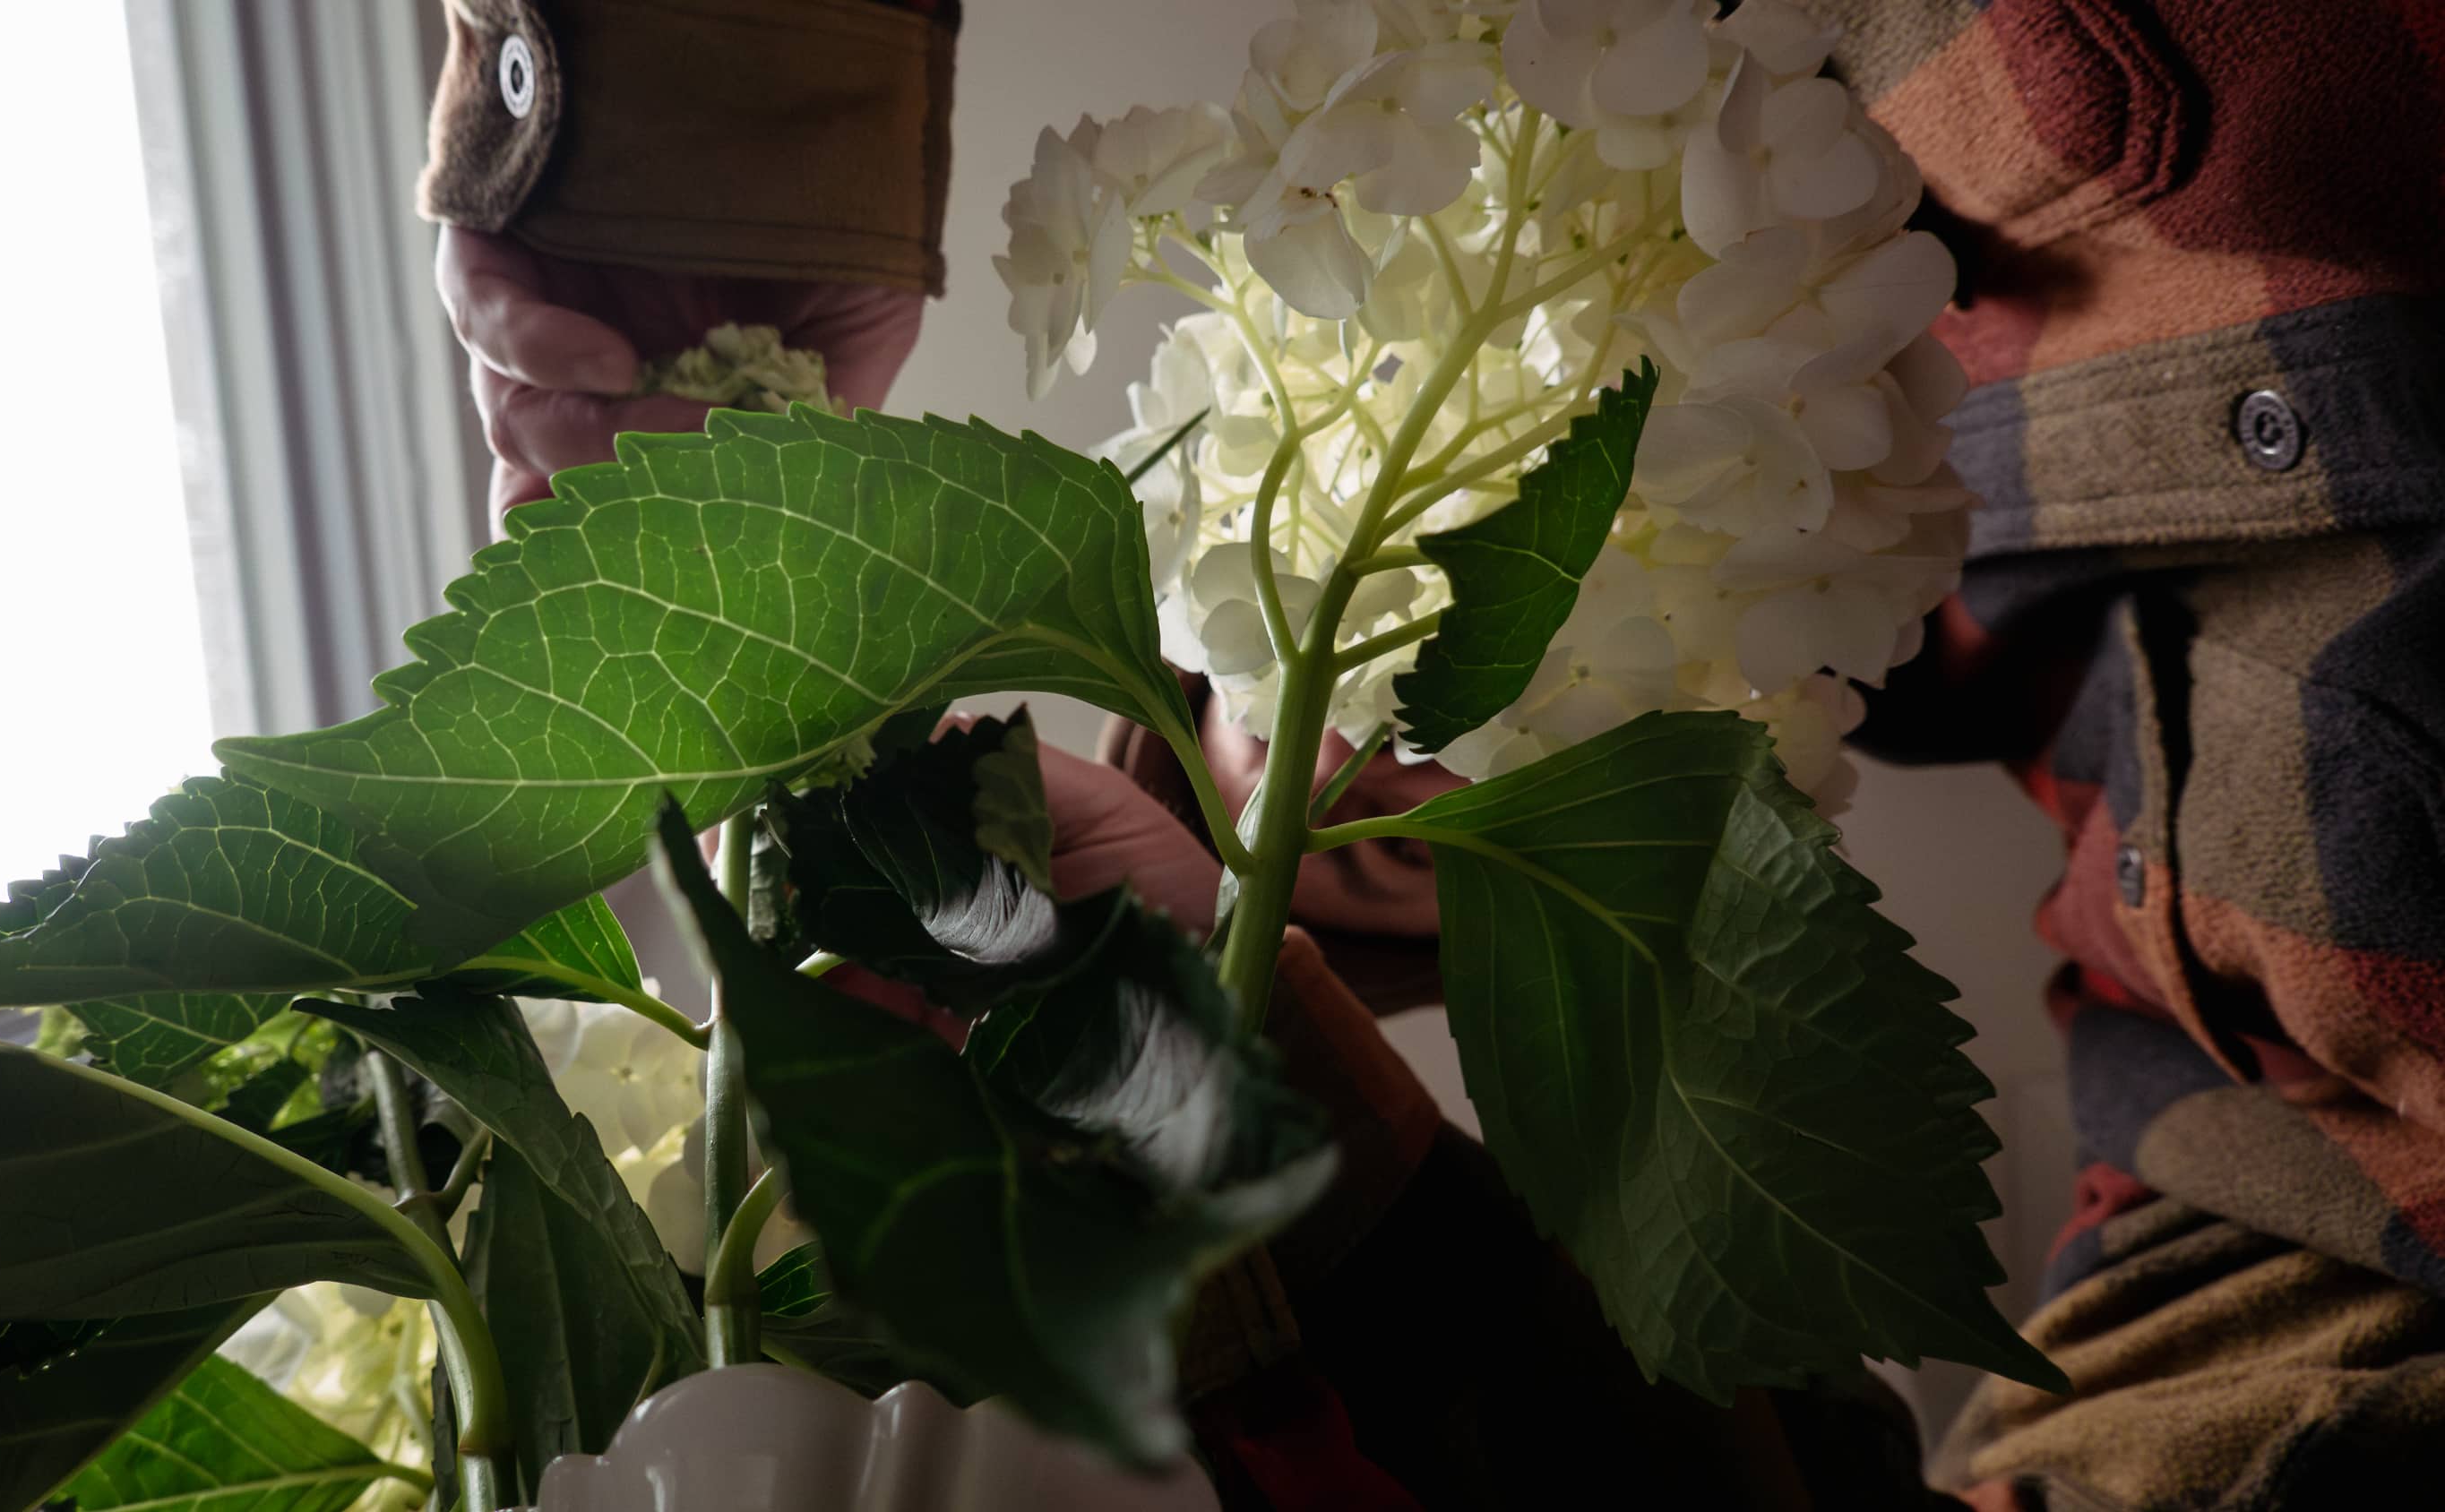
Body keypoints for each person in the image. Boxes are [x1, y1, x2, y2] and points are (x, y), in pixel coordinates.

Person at [418, 2, 2445, 1507]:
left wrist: (691, 172)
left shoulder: (1801, 259)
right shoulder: (1944, 591)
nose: (1336, 743)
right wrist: (1261, 1056)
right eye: (1382, 879)